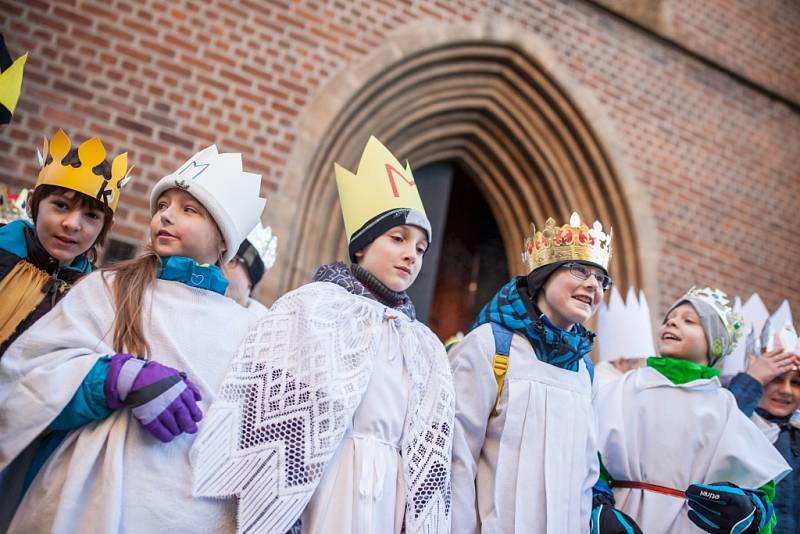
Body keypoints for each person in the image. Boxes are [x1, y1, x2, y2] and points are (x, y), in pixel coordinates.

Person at [191, 136, 454, 533]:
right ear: (362, 246)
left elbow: (426, 442)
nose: (410, 255)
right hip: (327, 478)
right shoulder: (313, 307)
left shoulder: (422, 344)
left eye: (420, 249)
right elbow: (276, 412)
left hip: (387, 492)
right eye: (397, 239)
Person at [0, 145, 266, 533]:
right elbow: (27, 374)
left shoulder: (246, 331)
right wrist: (112, 379)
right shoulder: (108, 288)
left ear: (224, 241)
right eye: (163, 205)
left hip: (185, 512)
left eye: (189, 210)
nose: (167, 215)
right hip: (86, 500)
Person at [449, 212, 637, 532]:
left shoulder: (583, 370)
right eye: (579, 270)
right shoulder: (491, 346)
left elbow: (586, 475)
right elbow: (456, 457)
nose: (593, 284)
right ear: (544, 276)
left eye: (601, 279)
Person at [597, 287, 790, 533]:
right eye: (669, 319)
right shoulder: (621, 389)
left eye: (689, 320)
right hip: (623, 517)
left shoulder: (723, 404)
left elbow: (759, 486)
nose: (673, 323)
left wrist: (751, 511)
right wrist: (597, 504)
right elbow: (590, 457)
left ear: (714, 342)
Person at [0, 128, 128, 355]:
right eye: (61, 205)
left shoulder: (97, 296)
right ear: (31, 204)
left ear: (105, 228)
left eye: (91, 215)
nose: (72, 224)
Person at [225, 222, 277, 317]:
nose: (221, 266)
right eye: (221, 258)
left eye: (231, 260)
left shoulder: (262, 323)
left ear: (251, 277)